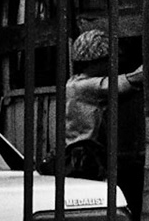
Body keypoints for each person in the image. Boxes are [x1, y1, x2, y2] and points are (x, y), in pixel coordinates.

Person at [60, 28, 142, 181]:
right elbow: (128, 82)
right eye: (108, 60)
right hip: (86, 156)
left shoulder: (73, 83)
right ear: (96, 61)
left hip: (79, 153)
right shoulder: (84, 87)